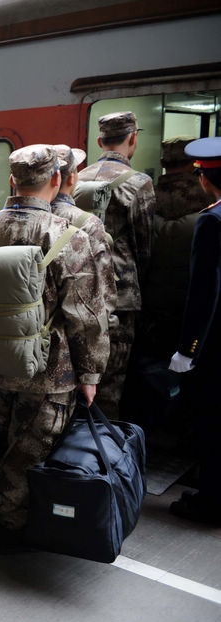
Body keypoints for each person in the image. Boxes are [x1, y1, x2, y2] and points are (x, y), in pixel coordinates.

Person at [0, 144, 108, 552]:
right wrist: (91, 373)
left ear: (12, 180)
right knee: (29, 454)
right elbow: (87, 317)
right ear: (57, 181)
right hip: (48, 373)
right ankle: (11, 530)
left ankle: (5, 515)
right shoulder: (68, 238)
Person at [77, 111, 153, 418]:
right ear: (133, 139)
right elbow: (145, 247)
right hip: (120, 299)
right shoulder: (139, 183)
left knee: (82, 374)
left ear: (99, 141)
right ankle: (104, 453)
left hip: (80, 292)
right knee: (111, 381)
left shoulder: (77, 178)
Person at [166, 136, 221, 527]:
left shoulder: (212, 220)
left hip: (216, 347)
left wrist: (188, 349)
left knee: (213, 423)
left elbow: (204, 293)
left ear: (205, 179)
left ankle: (211, 503)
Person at [140, 137, 216, 357]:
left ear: (162, 162)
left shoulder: (147, 195)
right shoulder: (207, 195)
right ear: (195, 163)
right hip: (192, 298)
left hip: (152, 299)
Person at [50, 144, 117, 329]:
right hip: (71, 335)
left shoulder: (24, 217)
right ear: (72, 178)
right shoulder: (88, 223)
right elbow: (103, 294)